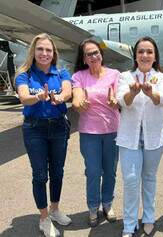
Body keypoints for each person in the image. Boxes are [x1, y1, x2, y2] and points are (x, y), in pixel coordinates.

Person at [15, 33, 72, 237]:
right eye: (40, 49)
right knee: (40, 175)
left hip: (58, 127)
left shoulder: (61, 73)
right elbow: (23, 97)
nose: (44, 53)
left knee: (58, 172)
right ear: (34, 51)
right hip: (34, 129)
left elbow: (67, 92)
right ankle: (44, 217)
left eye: (48, 50)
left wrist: (59, 98)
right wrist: (37, 97)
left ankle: (55, 210)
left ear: (53, 53)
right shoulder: (24, 74)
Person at [116, 36, 163, 237]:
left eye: (149, 52)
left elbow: (162, 99)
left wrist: (149, 93)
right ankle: (129, 224)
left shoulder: (161, 78)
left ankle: (148, 216)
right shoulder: (126, 76)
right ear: (135, 56)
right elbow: (123, 101)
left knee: (149, 177)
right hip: (129, 137)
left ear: (155, 56)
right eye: (141, 51)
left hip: (155, 137)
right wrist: (132, 92)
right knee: (130, 180)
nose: (145, 55)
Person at [71, 39, 120, 227]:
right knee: (93, 172)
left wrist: (116, 101)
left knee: (110, 171)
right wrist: (79, 104)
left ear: (101, 54)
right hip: (89, 132)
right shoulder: (79, 76)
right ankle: (93, 206)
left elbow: (118, 97)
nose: (93, 56)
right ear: (83, 59)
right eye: (89, 54)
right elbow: (77, 98)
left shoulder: (115, 74)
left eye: (96, 52)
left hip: (113, 131)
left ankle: (107, 204)